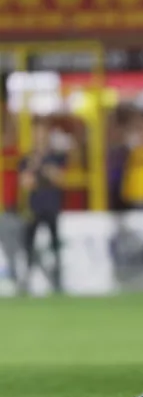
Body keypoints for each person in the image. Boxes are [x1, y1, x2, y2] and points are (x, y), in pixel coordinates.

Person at [18, 124, 65, 294]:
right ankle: (27, 278)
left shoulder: (55, 157)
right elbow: (27, 183)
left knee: (54, 244)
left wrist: (43, 169)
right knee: (28, 244)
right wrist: (36, 168)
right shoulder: (27, 160)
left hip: (52, 206)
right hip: (34, 208)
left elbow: (59, 178)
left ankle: (59, 279)